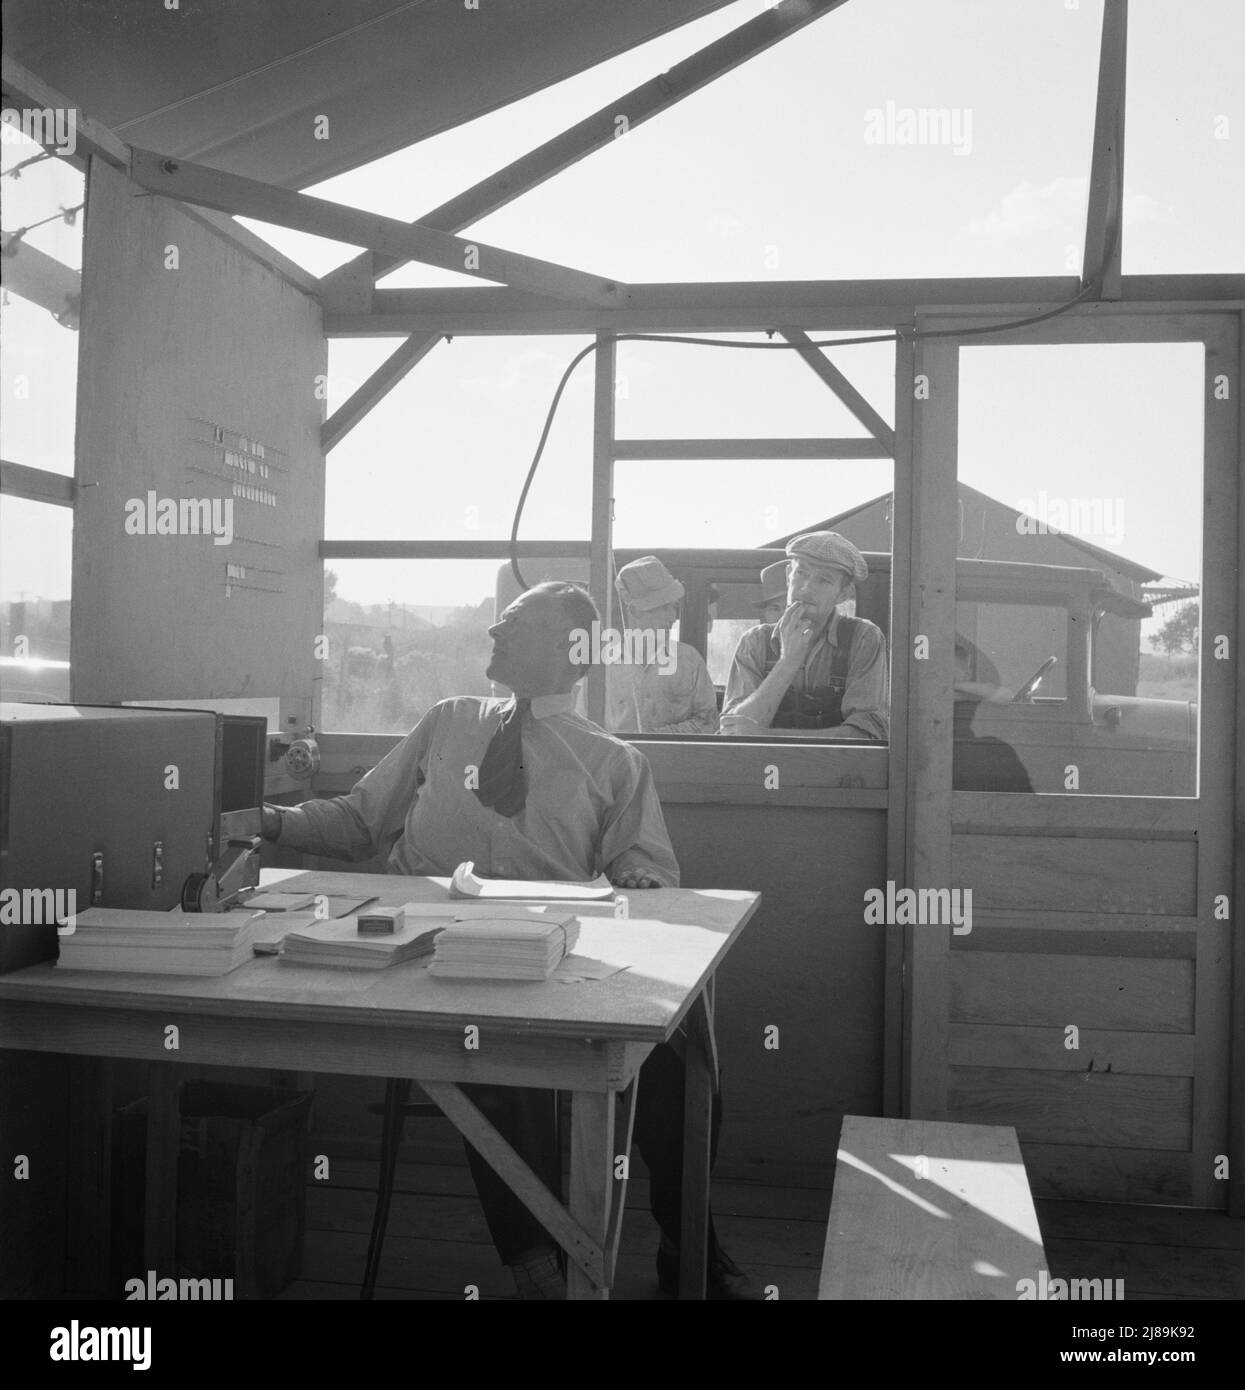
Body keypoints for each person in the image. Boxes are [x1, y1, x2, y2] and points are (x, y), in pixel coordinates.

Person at [262, 581, 756, 1300]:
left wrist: (642, 887)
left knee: (684, 1067)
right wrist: (272, 824)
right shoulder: (447, 721)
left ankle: (690, 1248)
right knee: (492, 1048)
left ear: (573, 650)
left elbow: (646, 870)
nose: (495, 626)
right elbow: (361, 821)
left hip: (539, 950)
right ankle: (536, 1269)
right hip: (418, 948)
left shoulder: (614, 761)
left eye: (518, 622)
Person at [721, 532, 889, 739]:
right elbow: (734, 732)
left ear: (844, 593)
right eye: (801, 573)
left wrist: (769, 737)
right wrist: (787, 662)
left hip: (837, 770)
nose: (807, 588)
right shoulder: (754, 642)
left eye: (824, 580)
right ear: (787, 575)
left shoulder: (863, 639)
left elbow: (867, 734)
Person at [605, 556, 719, 735]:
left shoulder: (689, 660)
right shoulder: (603, 665)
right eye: (663, 608)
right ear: (634, 611)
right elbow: (587, 727)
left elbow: (709, 723)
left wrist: (658, 737)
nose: (672, 617)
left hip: (675, 761)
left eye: (673, 607)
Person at [755, 560, 788, 626]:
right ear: (765, 613)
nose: (782, 616)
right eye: (775, 609)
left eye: (788, 607)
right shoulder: (756, 635)